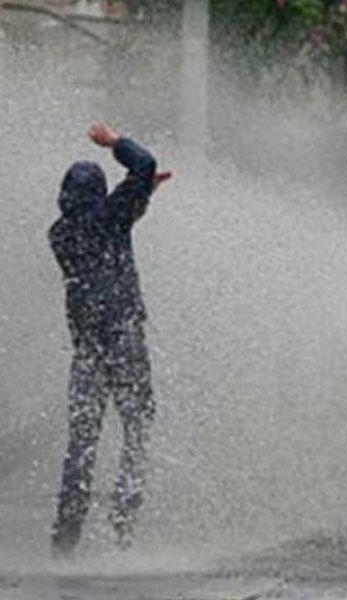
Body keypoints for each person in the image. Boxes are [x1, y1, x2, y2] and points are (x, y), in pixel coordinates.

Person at [49, 122, 171, 556]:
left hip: (87, 355)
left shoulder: (59, 234)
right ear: (101, 193)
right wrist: (115, 143)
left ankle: (63, 544)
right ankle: (123, 525)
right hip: (123, 342)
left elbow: (118, 217)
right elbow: (145, 165)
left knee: (81, 447)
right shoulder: (108, 218)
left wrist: (140, 194)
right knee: (136, 431)